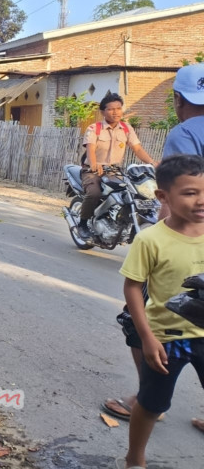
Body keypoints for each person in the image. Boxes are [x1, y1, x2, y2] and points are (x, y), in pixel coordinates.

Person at [103, 63, 204, 431]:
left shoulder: (184, 131)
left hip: (189, 238)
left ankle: (150, 400)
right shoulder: (98, 128)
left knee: (138, 318)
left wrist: (159, 238)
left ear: (178, 99)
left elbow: (177, 194)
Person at [115, 155, 204, 469]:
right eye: (190, 192)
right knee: (151, 404)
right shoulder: (151, 240)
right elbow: (132, 289)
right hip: (166, 339)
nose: (200, 200)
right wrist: (147, 338)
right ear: (163, 196)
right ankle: (135, 457)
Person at [78, 93, 156, 239]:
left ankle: (118, 221)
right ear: (102, 112)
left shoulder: (126, 129)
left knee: (132, 193)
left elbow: (137, 149)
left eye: (119, 108)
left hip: (114, 171)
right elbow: (91, 149)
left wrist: (152, 162)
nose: (116, 112)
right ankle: (83, 224)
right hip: (92, 171)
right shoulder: (94, 128)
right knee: (94, 193)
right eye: (111, 109)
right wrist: (95, 165)